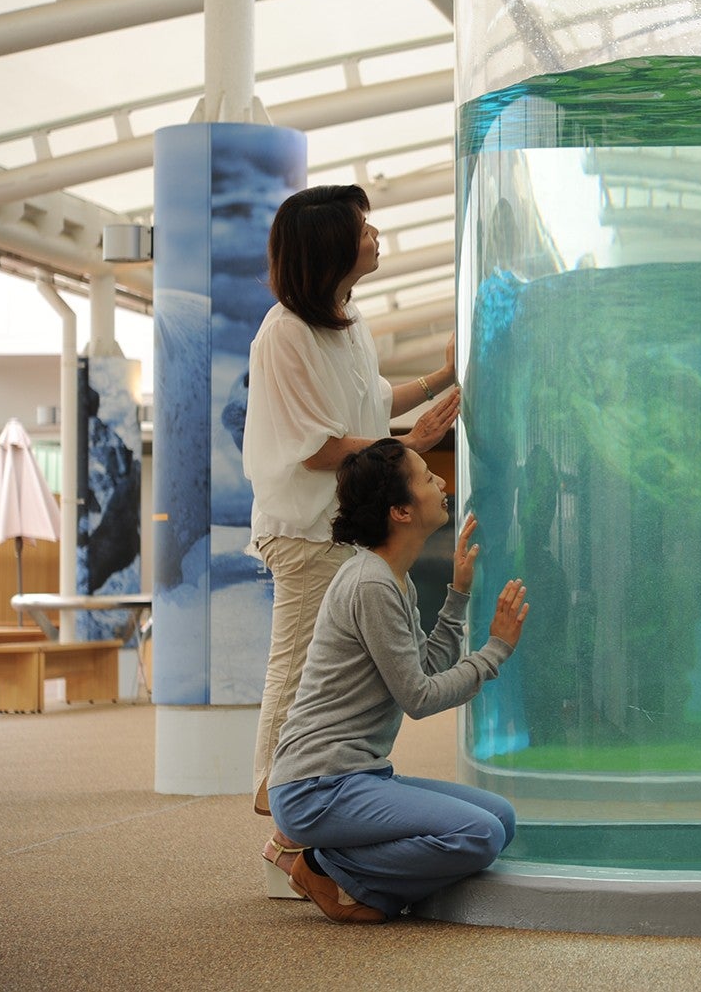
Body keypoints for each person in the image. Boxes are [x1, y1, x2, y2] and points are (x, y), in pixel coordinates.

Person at [243, 184, 460, 896]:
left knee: (330, 676)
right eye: (363, 228)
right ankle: (285, 825)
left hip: (336, 528)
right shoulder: (284, 334)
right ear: (331, 245)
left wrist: (440, 379)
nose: (375, 236)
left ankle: (300, 825)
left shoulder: (345, 319)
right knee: (299, 670)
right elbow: (316, 445)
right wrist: (409, 442)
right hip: (305, 530)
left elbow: (369, 395)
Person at [267, 438, 529, 923]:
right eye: (428, 478)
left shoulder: (394, 579)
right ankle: (326, 866)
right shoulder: (370, 583)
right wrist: (495, 650)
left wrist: (457, 595)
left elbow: (425, 667)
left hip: (356, 777)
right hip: (317, 786)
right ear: (400, 511)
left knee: (502, 819)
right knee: (480, 835)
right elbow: (420, 697)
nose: (442, 484)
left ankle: (354, 875)